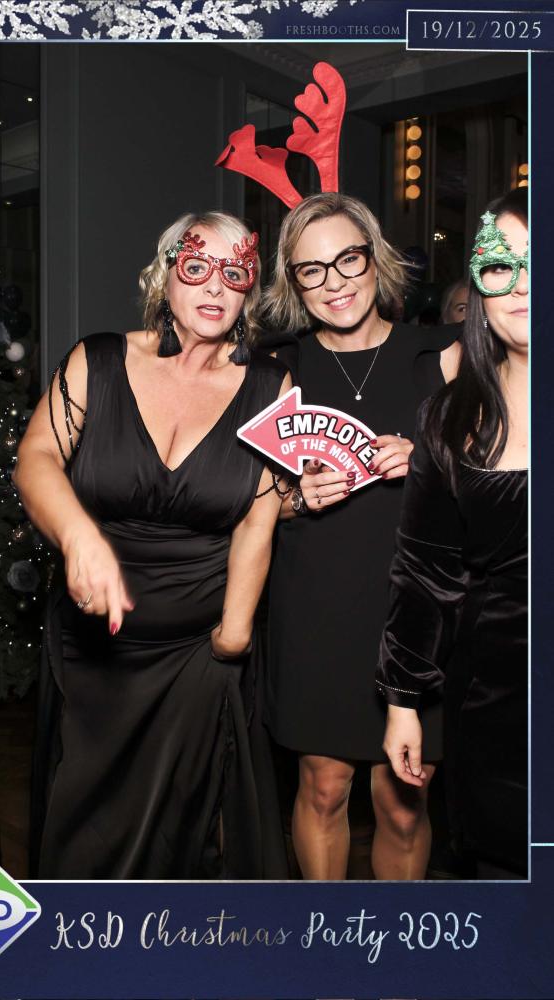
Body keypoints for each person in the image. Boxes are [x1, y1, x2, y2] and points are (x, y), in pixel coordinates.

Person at [14, 211, 291, 879]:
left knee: (183, 836)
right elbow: (36, 458)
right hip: (95, 649)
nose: (214, 286)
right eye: (195, 266)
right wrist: (78, 536)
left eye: (235, 273)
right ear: (164, 276)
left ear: (249, 290)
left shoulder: (270, 386)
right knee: (83, 827)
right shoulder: (97, 360)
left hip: (198, 651)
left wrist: (233, 636)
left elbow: (258, 518)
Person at [263, 192, 461, 881]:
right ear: (293, 283)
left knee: (403, 803)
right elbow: (240, 501)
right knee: (322, 787)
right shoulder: (278, 368)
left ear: (374, 259)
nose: (334, 282)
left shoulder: (441, 357)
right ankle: (326, 936)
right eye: (310, 270)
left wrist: (432, 460)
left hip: (418, 610)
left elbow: (503, 478)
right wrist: (293, 498)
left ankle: (390, 941)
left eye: (347, 259)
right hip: (315, 607)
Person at [378, 188, 528, 879]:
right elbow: (424, 572)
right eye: (501, 265)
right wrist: (403, 702)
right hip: (494, 700)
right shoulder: (449, 416)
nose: (521, 284)